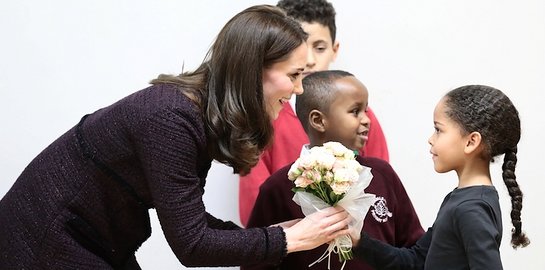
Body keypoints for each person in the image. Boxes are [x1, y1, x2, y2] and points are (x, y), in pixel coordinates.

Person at [0, 5, 355, 269]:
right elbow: (192, 245)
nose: (297, 88)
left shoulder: (197, 113)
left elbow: (193, 223)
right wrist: (284, 240)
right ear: (254, 71)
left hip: (93, 239)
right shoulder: (171, 118)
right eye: (294, 74)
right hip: (44, 240)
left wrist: (277, 233)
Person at [243, 70, 424, 270]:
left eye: (366, 110)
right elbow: (255, 261)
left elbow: (415, 249)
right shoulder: (278, 187)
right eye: (355, 111)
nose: (366, 119)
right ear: (319, 121)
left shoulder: (382, 175)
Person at [239, 0, 390, 227]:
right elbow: (255, 210)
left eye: (319, 48)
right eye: (297, 48)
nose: (309, 60)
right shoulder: (261, 121)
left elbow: (381, 190)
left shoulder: (363, 118)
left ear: (334, 49)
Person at [352, 85, 531, 269]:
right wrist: (359, 242)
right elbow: (416, 260)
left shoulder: (471, 209)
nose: (431, 138)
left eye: (438, 130)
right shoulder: (461, 200)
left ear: (471, 142)